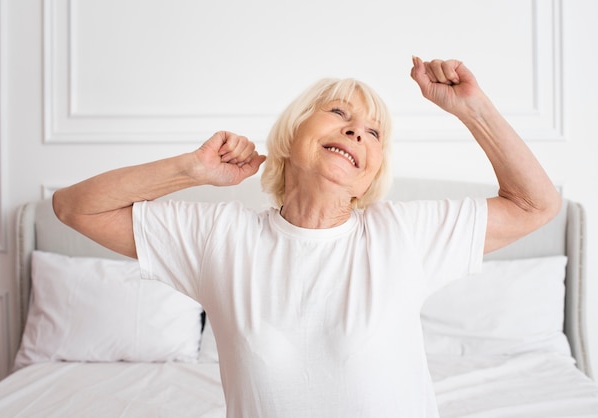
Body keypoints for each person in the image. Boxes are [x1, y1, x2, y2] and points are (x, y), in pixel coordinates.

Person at [53, 57, 561, 417]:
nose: (358, 131)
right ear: (292, 135)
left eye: (374, 132)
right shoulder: (220, 240)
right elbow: (73, 207)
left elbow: (536, 205)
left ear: (372, 172)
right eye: (340, 114)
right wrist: (191, 169)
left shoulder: (404, 235)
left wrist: (472, 109)